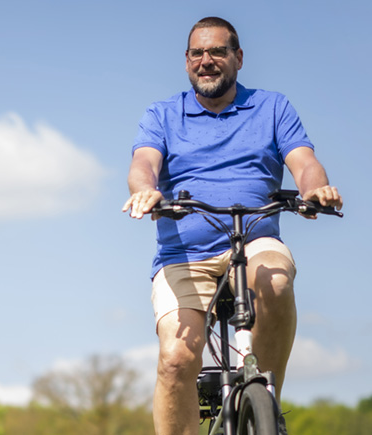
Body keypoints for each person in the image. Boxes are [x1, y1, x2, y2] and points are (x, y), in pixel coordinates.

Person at [121, 17, 342, 434]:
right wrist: (146, 191)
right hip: (185, 254)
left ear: (238, 58)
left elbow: (304, 163)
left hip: (255, 238)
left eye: (218, 52)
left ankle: (264, 397)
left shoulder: (273, 107)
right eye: (197, 54)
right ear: (187, 61)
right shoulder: (163, 114)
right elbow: (143, 164)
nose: (207, 61)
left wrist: (315, 190)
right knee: (175, 360)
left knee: (276, 281)